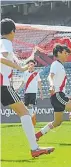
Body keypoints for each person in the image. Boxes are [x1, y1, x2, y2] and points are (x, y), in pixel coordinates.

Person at [0, 18, 54, 158]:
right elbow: (1, 57)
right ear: (13, 31)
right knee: (24, 113)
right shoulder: (6, 43)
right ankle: (34, 148)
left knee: (24, 113)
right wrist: (18, 67)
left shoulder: (3, 42)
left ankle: (34, 148)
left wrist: (22, 65)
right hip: (3, 85)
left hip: (4, 84)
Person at [35, 44, 71, 144]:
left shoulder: (59, 65)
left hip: (58, 95)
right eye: (65, 53)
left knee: (57, 122)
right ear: (59, 53)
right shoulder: (56, 64)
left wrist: (66, 96)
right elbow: (50, 77)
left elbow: (58, 82)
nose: (67, 55)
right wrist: (51, 86)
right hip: (57, 94)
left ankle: (37, 135)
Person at [17, 60, 43, 127]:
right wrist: (18, 89)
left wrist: (41, 92)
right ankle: (28, 120)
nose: (31, 66)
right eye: (30, 64)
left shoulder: (36, 74)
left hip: (33, 92)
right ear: (28, 65)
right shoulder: (25, 73)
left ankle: (31, 121)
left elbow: (39, 82)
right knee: (26, 106)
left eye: (32, 65)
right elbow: (23, 83)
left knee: (30, 105)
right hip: (27, 92)